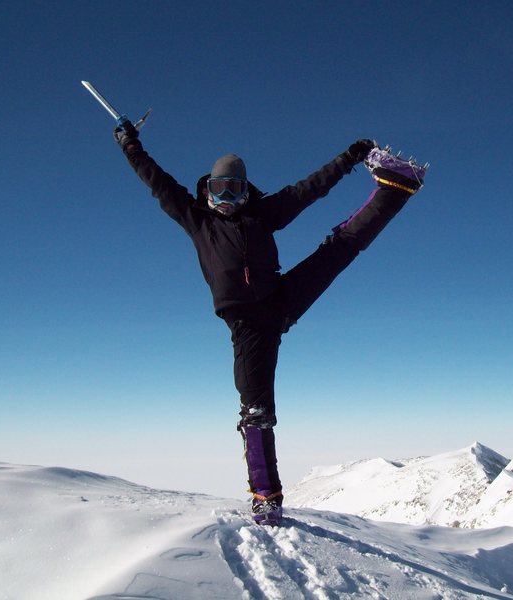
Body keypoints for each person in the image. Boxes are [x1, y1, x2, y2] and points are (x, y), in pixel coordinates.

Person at [113, 118, 426, 525]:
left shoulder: (265, 213)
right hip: (248, 325)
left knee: (338, 249)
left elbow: (310, 188)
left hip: (280, 301)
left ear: (247, 190)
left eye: (235, 189)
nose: (226, 198)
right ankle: (267, 495)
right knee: (256, 410)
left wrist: (349, 157)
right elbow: (155, 180)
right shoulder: (197, 219)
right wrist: (129, 143)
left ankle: (397, 188)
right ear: (206, 189)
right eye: (218, 189)